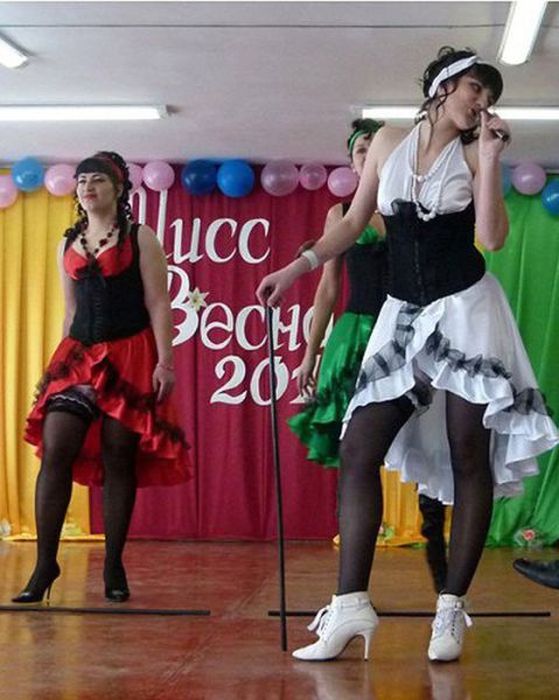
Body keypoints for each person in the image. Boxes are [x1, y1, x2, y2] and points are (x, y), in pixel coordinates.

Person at [257, 47, 559, 662]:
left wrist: (491, 159)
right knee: (357, 447)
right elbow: (353, 222)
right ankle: (350, 605)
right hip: (401, 314)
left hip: (466, 310)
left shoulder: (474, 154)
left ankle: (450, 607)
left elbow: (492, 237)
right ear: (442, 87)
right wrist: (296, 268)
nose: (481, 102)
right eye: (474, 89)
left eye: (489, 96)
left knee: (469, 452)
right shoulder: (389, 142)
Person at [13, 151, 191, 604]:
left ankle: (113, 564)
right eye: (81, 181)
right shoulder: (68, 242)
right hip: (78, 356)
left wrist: (165, 362)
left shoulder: (140, 237)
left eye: (97, 180)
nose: (87, 187)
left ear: (118, 188)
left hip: (129, 354)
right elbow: (71, 309)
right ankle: (44, 564)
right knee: (56, 448)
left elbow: (158, 303)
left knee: (118, 458)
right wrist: (58, 366)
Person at [289, 119, 448, 592]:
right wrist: (310, 354)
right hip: (356, 337)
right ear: (355, 162)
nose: (368, 154)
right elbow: (327, 288)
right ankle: (352, 585)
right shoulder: (341, 213)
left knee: (428, 439)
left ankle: (438, 559)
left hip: (408, 334)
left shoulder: (413, 206)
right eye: (360, 149)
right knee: (356, 455)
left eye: (373, 147)